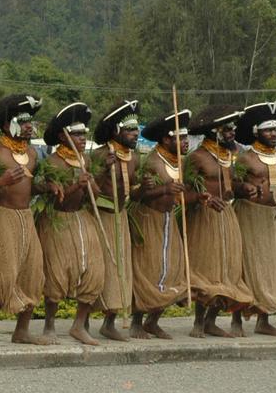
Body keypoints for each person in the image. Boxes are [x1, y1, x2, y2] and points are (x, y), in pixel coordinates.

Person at [0, 93, 51, 347]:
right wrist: (1, 181)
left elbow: (31, 188)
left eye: (31, 121)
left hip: (25, 217)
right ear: (8, 125)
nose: (30, 125)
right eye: (24, 121)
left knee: (33, 273)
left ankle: (22, 330)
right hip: (1, 216)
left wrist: (49, 187)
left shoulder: (31, 153)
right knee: (4, 275)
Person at [38, 102, 106, 346]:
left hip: (83, 218)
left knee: (95, 271)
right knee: (56, 273)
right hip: (58, 221)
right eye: (76, 133)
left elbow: (95, 195)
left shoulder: (86, 159)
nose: (81, 138)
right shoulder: (52, 163)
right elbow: (56, 199)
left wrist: (90, 183)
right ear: (61, 136)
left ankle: (79, 325)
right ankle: (49, 326)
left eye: (83, 134)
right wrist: (76, 184)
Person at [231, 101, 276, 337]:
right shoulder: (245, 159)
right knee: (250, 266)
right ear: (256, 132)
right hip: (250, 216)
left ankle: (273, 319)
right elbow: (233, 185)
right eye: (268, 130)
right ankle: (238, 320)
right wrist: (245, 188)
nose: (274, 134)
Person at [185, 105, 253, 338]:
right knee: (207, 268)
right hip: (204, 219)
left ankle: (211, 321)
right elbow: (183, 193)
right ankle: (197, 323)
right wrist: (202, 199)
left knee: (227, 268)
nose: (232, 132)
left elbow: (232, 186)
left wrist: (244, 188)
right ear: (214, 132)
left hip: (228, 216)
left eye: (233, 128)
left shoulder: (231, 157)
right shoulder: (196, 158)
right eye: (227, 129)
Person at [128, 109, 192, 340]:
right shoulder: (153, 162)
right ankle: (136, 321)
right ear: (166, 139)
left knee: (172, 271)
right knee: (147, 270)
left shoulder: (181, 163)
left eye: (186, 138)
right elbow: (137, 195)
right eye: (181, 138)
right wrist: (164, 189)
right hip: (148, 220)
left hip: (168, 221)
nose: (186, 142)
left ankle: (153, 320)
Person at [91, 100, 141, 342]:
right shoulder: (100, 155)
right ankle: (82, 321)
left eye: (136, 129)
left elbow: (135, 190)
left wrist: (150, 187)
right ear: (115, 131)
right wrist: (102, 170)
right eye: (130, 130)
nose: (135, 134)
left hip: (122, 216)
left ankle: (110, 322)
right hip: (101, 216)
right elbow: (90, 191)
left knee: (121, 269)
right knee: (103, 269)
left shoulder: (134, 157)